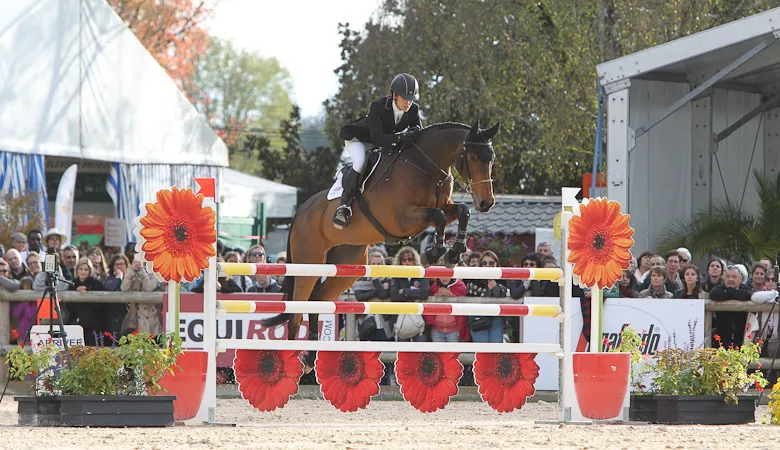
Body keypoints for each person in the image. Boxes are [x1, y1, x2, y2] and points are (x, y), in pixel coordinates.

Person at [333, 73, 423, 229]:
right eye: (404, 98)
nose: (408, 103)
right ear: (395, 95)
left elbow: (419, 132)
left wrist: (413, 136)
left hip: (383, 142)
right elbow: (377, 138)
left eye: (411, 99)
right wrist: (401, 138)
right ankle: (344, 206)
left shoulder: (413, 110)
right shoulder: (379, 106)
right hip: (360, 139)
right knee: (361, 162)